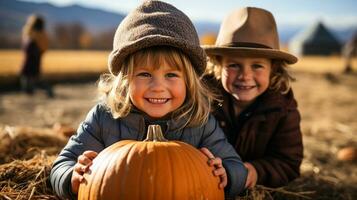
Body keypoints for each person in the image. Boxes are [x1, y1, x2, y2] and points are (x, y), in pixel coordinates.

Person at [50, 1, 247, 199]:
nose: (158, 87)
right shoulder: (104, 118)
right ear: (125, 80)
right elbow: (62, 164)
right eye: (144, 74)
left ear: (189, 82)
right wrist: (71, 178)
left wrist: (227, 175)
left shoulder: (199, 122)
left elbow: (236, 166)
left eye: (171, 75)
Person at [203, 7, 303, 189]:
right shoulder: (202, 100)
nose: (245, 76)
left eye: (257, 66)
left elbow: (288, 162)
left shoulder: (283, 108)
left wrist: (256, 171)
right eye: (234, 65)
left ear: (274, 69)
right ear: (218, 65)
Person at [20, 14, 53, 97]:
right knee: (32, 76)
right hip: (33, 58)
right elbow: (44, 48)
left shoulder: (30, 32)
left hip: (31, 58)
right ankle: (31, 91)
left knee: (30, 76)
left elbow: (27, 45)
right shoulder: (40, 34)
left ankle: (32, 91)